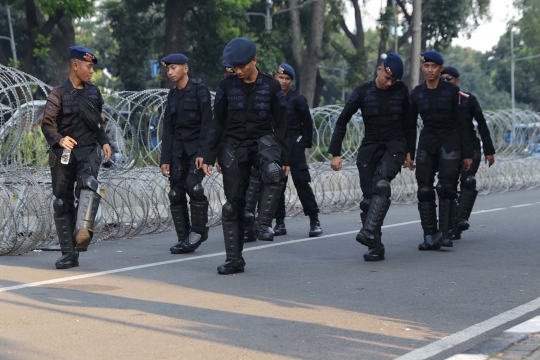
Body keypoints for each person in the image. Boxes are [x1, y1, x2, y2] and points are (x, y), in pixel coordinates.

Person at [202, 37, 290, 275]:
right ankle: (234, 260)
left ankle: (263, 225)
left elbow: (282, 125)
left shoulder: (271, 86)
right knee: (232, 206)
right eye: (234, 67)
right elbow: (217, 123)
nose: (238, 71)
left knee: (273, 172)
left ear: (254, 60)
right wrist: (209, 156)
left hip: (263, 141)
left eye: (242, 66)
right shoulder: (226, 87)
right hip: (233, 145)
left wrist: (286, 159)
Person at [329, 53, 415, 261]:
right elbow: (342, 121)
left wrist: (410, 151)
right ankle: (375, 246)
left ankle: (368, 232)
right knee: (369, 201)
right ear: (379, 70)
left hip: (395, 144)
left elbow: (409, 122)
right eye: (387, 78)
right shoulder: (362, 92)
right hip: (370, 146)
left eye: (393, 80)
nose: (389, 83)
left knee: (381, 186)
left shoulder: (401, 91)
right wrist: (336, 153)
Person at [40, 46, 111, 269]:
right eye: (88, 66)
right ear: (75, 65)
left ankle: (82, 235)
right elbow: (46, 123)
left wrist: (105, 141)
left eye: (92, 67)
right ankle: (69, 254)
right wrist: (60, 139)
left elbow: (97, 123)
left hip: (88, 149)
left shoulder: (94, 92)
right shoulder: (58, 93)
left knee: (88, 185)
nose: (91, 71)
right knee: (62, 202)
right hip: (63, 152)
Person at [409, 51, 473, 251]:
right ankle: (430, 235)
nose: (430, 70)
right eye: (426, 66)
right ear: (422, 68)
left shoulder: (452, 92)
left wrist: (467, 153)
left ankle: (445, 234)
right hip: (427, 142)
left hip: (449, 141)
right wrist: (408, 152)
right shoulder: (417, 93)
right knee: (424, 189)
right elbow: (409, 125)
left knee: (447, 188)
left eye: (434, 66)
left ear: (440, 69)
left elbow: (463, 124)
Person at [160, 53, 213, 254]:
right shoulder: (172, 96)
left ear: (185, 68)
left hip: (196, 152)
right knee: (175, 193)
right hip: (177, 152)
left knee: (195, 187)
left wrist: (204, 154)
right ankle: (184, 238)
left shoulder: (200, 92)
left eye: (174, 67)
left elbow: (208, 125)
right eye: (168, 69)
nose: (170, 72)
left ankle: (199, 231)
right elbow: (169, 129)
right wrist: (165, 159)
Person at [440, 67, 496, 239]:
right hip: (449, 147)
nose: (445, 82)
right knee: (445, 186)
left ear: (457, 80)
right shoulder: (437, 100)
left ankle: (460, 219)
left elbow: (481, 123)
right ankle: (447, 226)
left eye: (448, 79)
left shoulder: (468, 99)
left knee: (468, 180)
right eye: (442, 79)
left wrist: (489, 151)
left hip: (470, 147)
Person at [272, 63, 322, 238]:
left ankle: (314, 220)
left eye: (287, 79)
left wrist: (304, 143)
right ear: (275, 78)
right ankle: (279, 222)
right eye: (281, 78)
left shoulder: (297, 99)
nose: (283, 82)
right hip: (277, 145)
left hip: (294, 144)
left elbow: (307, 123)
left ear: (291, 81)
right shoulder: (270, 98)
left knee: (301, 182)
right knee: (277, 184)